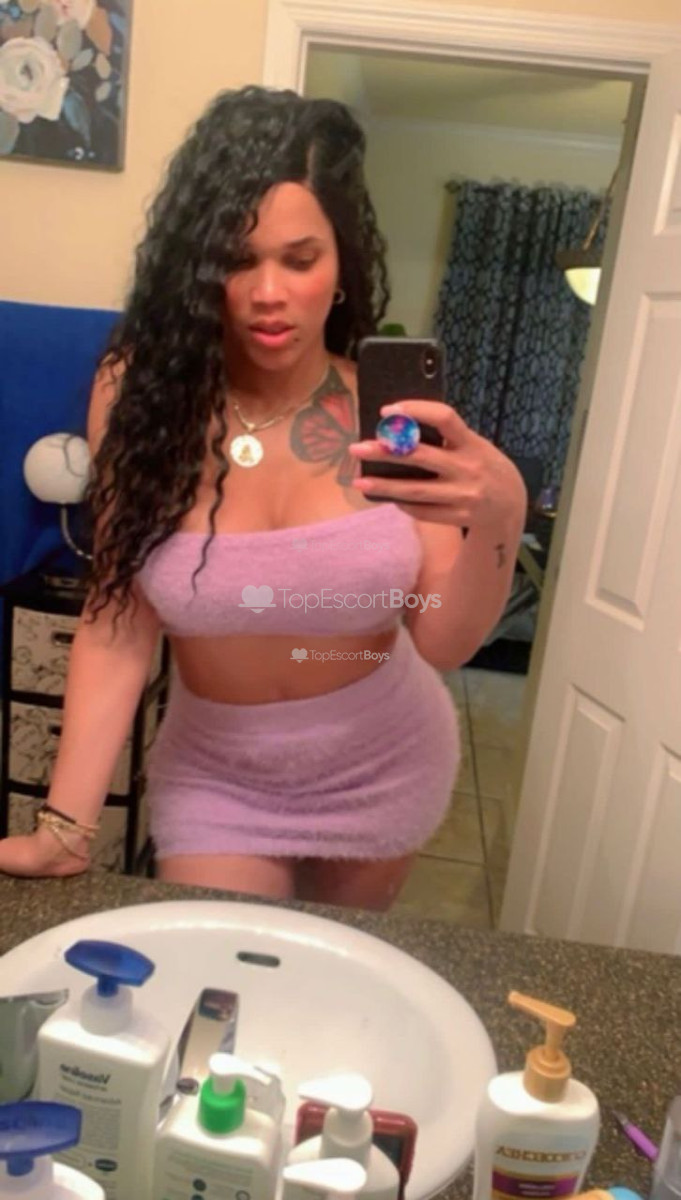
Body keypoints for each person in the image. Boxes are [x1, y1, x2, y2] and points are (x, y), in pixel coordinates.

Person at [0, 86, 527, 909]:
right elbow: (119, 619)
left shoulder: (389, 416)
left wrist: (501, 517)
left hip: (384, 764)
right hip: (217, 780)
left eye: (299, 258)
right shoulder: (140, 397)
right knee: (220, 978)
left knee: (330, 977)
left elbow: (441, 640)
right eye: (237, 260)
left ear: (342, 262)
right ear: (196, 266)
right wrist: (65, 828)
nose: (268, 292)